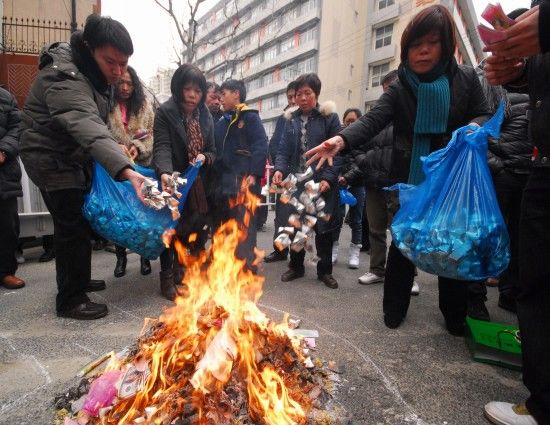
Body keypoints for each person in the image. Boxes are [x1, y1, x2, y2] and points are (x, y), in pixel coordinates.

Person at [305, 5, 490, 331]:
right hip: (410, 177)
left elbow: (484, 111)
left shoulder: (466, 79)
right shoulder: (402, 87)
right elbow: (373, 120)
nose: (422, 50)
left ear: (446, 45)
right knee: (403, 245)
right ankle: (394, 309)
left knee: (451, 247)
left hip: (451, 177)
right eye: (415, 44)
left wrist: (474, 127)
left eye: (431, 43)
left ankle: (455, 314)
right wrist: (341, 140)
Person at [19, 14, 145, 320]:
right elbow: (85, 123)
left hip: (72, 155)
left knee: (83, 219)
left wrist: (116, 147)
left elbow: (96, 125)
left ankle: (79, 278)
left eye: (123, 64)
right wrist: (126, 170)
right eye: (110, 62)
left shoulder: (95, 76)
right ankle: (70, 299)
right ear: (89, 49)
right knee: (70, 226)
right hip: (48, 157)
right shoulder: (65, 76)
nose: (117, 72)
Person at [483, 2, 550, 424]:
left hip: (525, 166)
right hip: (543, 163)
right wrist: (523, 74)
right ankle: (543, 402)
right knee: (537, 285)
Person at [272, 73, 342, 289]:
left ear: (316, 94)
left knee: (323, 228)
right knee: (297, 226)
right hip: (296, 182)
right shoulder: (290, 119)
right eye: (299, 94)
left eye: (307, 93)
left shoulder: (329, 117)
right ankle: (296, 266)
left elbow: (337, 153)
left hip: (320, 180)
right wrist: (279, 170)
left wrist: (329, 179)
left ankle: (325, 271)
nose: (302, 98)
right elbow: (283, 150)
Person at [154, 64, 217, 300]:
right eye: (187, 89)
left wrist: (206, 157)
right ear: (178, 89)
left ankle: (185, 272)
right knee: (171, 230)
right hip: (174, 179)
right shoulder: (166, 112)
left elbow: (212, 150)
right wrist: (165, 172)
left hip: (200, 183)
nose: (192, 95)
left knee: (196, 230)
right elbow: (162, 146)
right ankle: (167, 278)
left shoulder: (205, 116)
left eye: (197, 90)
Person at [214, 79, 268, 268]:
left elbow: (261, 145)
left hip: (245, 181)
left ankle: (246, 266)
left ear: (236, 93)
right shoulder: (222, 121)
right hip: (226, 184)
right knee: (228, 223)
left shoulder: (250, 117)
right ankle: (229, 264)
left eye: (224, 93)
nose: (220, 98)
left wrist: (254, 173)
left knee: (245, 224)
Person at [109, 65, 155, 279]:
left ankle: (144, 257)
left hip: (143, 167)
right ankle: (121, 258)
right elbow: (101, 133)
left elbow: (152, 134)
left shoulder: (145, 107)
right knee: (120, 215)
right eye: (121, 83)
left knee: (143, 214)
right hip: (117, 169)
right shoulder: (107, 105)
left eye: (129, 83)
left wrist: (139, 145)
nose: (125, 87)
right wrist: (115, 147)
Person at [265, 81, 297, 263]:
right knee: (282, 216)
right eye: (290, 97)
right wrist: (279, 168)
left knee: (300, 218)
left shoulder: (312, 118)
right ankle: (280, 251)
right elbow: (274, 145)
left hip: (304, 177)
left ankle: (297, 258)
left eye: (296, 96)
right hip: (284, 177)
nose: (293, 100)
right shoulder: (283, 119)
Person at [331, 108, 365, 269]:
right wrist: (337, 176)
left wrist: (348, 177)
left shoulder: (365, 137)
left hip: (357, 183)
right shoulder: (338, 139)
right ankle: (334, 250)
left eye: (354, 121)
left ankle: (354, 253)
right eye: (347, 120)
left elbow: (363, 163)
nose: (350, 123)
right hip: (339, 183)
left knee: (356, 220)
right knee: (337, 218)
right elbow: (335, 159)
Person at [0, 87, 25, 290]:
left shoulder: (6, 97)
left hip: (4, 170)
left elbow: (17, 126)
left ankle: (6, 271)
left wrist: (4, 150)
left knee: (8, 225)